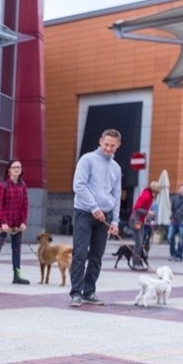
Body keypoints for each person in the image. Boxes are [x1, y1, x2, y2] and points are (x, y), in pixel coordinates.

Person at [69, 129, 121, 307]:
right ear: (100, 141)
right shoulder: (87, 159)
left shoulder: (116, 168)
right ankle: (76, 292)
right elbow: (78, 185)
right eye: (106, 144)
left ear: (118, 146)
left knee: (97, 255)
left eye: (112, 146)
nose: (108, 148)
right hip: (84, 212)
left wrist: (115, 221)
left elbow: (116, 195)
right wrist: (94, 207)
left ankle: (89, 292)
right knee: (80, 253)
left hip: (104, 217)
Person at [0, 159, 30, 285]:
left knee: (17, 250)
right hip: (3, 223)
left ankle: (17, 275)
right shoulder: (3, 186)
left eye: (19, 167)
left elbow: (25, 205)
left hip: (17, 223)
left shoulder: (23, 186)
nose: (17, 169)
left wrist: (23, 222)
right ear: (9, 170)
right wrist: (3, 223)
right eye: (14, 167)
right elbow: (0, 206)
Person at [129, 181, 160, 270]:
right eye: (157, 192)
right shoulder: (146, 196)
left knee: (140, 243)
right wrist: (148, 212)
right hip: (136, 221)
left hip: (140, 221)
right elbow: (136, 207)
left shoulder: (148, 195)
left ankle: (138, 262)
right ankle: (135, 263)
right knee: (138, 243)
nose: (157, 194)